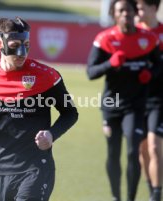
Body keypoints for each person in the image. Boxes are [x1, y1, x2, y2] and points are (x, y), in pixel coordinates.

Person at [0, 17, 78, 201]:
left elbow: (70, 113)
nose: (21, 52)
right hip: (1, 170)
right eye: (15, 44)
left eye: (26, 44)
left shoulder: (47, 76)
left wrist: (51, 135)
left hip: (36, 168)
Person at [86, 0, 162, 201]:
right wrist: (110, 63)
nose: (125, 14)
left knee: (132, 151)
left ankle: (130, 198)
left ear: (133, 12)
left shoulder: (148, 38)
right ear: (114, 14)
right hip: (111, 105)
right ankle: (115, 196)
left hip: (136, 106)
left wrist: (150, 74)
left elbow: (159, 65)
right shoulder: (104, 39)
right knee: (113, 153)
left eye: (129, 9)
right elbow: (91, 72)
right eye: (121, 10)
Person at [135, 1, 163, 201]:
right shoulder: (133, 33)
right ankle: (150, 185)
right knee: (142, 149)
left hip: (159, 99)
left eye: (142, 7)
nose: (138, 12)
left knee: (154, 146)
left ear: (154, 8)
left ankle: (156, 194)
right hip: (136, 100)